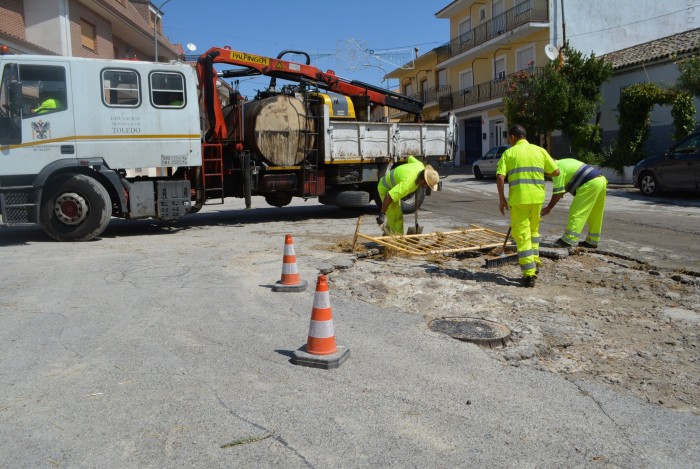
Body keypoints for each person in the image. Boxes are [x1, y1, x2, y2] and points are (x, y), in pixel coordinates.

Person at [496, 124, 560, 287]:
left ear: (512, 137)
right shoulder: (539, 151)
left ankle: (529, 274)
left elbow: (500, 177)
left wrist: (502, 199)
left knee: (523, 236)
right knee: (533, 233)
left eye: (508, 138)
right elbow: (556, 172)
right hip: (537, 198)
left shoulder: (509, 153)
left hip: (519, 200)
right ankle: (535, 262)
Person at [541, 158, 608, 249]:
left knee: (577, 211)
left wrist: (548, 208)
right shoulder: (564, 161)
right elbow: (569, 180)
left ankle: (567, 240)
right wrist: (561, 192)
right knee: (595, 213)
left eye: (546, 173)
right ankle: (592, 241)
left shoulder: (557, 170)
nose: (548, 176)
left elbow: (558, 192)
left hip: (590, 183)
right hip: (601, 180)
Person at [376, 155, 440, 235]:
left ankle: (387, 237)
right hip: (385, 188)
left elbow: (410, 157)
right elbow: (389, 196)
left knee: (393, 215)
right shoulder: (408, 184)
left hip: (393, 186)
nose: (425, 187)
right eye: (426, 184)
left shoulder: (420, 165)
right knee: (397, 218)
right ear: (423, 179)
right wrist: (382, 214)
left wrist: (404, 173)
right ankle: (398, 243)